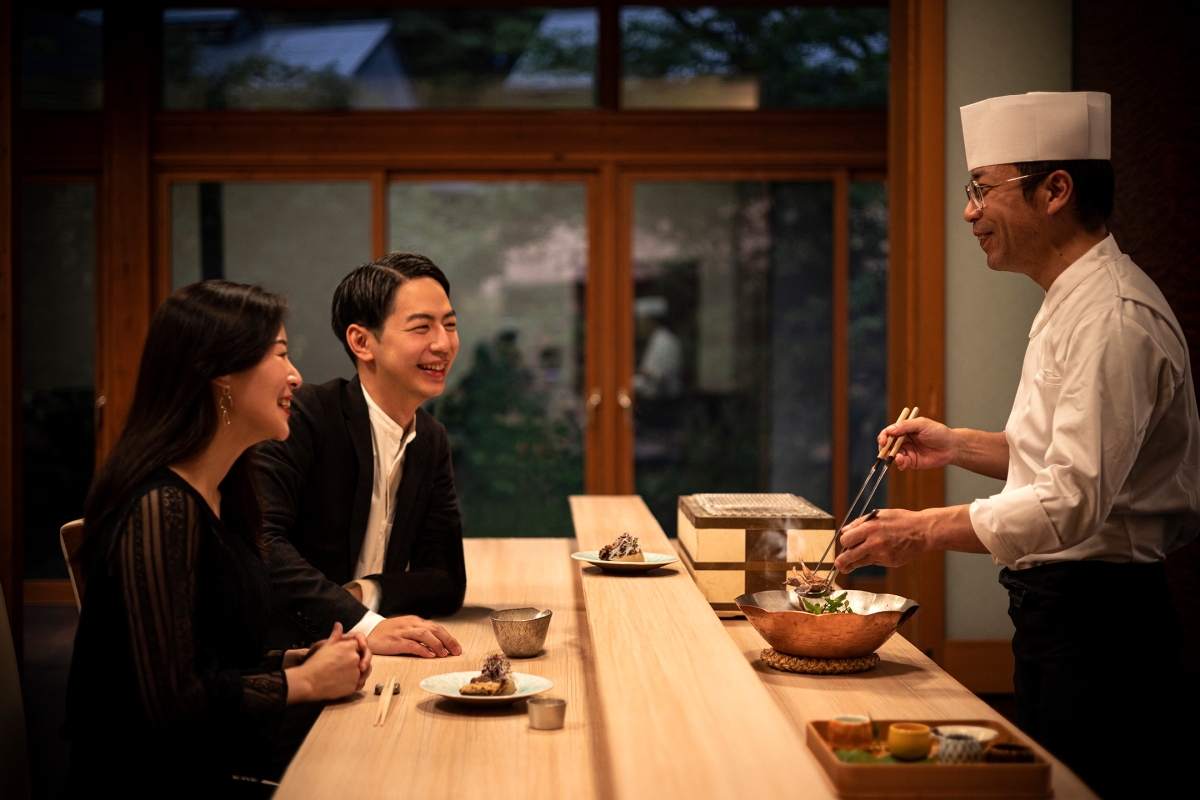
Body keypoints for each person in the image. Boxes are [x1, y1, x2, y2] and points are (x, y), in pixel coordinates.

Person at [832, 92, 1200, 797]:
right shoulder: (1069, 297)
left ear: (1056, 190)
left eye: (981, 189)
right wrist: (955, 445)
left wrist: (923, 531)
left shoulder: (1114, 317)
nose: (969, 212)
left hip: (1103, 626)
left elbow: (1072, 502)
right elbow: (1062, 458)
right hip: (1057, 614)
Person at [65, 281, 372, 794]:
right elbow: (171, 704)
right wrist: (306, 682)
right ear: (220, 376)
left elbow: (208, 654)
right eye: (280, 353)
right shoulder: (161, 507)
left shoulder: (225, 491)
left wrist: (291, 660)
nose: (296, 375)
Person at [259, 252, 466, 657]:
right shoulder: (304, 417)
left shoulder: (430, 438)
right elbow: (262, 545)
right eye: (422, 327)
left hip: (365, 662)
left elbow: (446, 581)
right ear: (361, 341)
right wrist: (365, 624)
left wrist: (364, 591)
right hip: (281, 659)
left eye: (451, 325)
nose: (443, 344)